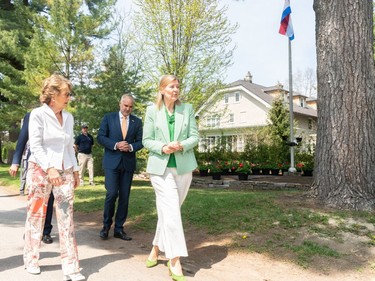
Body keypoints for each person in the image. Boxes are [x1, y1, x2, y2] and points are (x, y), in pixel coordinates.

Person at [23, 74, 85, 281]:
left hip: (65, 170)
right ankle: (31, 259)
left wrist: (75, 170)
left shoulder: (68, 117)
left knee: (67, 218)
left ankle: (71, 266)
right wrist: (49, 168)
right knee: (36, 216)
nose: (69, 98)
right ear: (54, 94)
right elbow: (36, 145)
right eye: (66, 94)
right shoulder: (37, 115)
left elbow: (69, 146)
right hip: (41, 171)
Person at [142, 75, 199, 281]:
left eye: (178, 86)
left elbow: (195, 136)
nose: (176, 90)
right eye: (171, 86)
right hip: (160, 169)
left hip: (184, 169)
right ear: (162, 89)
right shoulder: (152, 111)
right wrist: (164, 147)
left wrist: (182, 145)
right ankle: (174, 260)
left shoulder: (187, 109)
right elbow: (146, 140)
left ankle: (156, 248)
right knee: (172, 212)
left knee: (169, 212)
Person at [97, 94, 143, 241]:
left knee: (124, 197)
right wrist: (116, 145)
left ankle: (119, 229)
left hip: (128, 163)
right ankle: (106, 227)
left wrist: (130, 146)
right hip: (111, 163)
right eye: (125, 106)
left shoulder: (137, 121)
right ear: (120, 104)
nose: (127, 109)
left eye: (130, 107)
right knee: (111, 194)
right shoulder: (108, 118)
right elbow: (101, 137)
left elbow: (142, 141)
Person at [9, 112, 55, 245]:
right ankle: (31, 229)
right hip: (35, 162)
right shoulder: (32, 115)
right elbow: (23, 138)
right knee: (35, 198)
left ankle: (46, 231)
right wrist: (15, 161)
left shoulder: (60, 115)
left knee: (50, 198)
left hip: (54, 163)